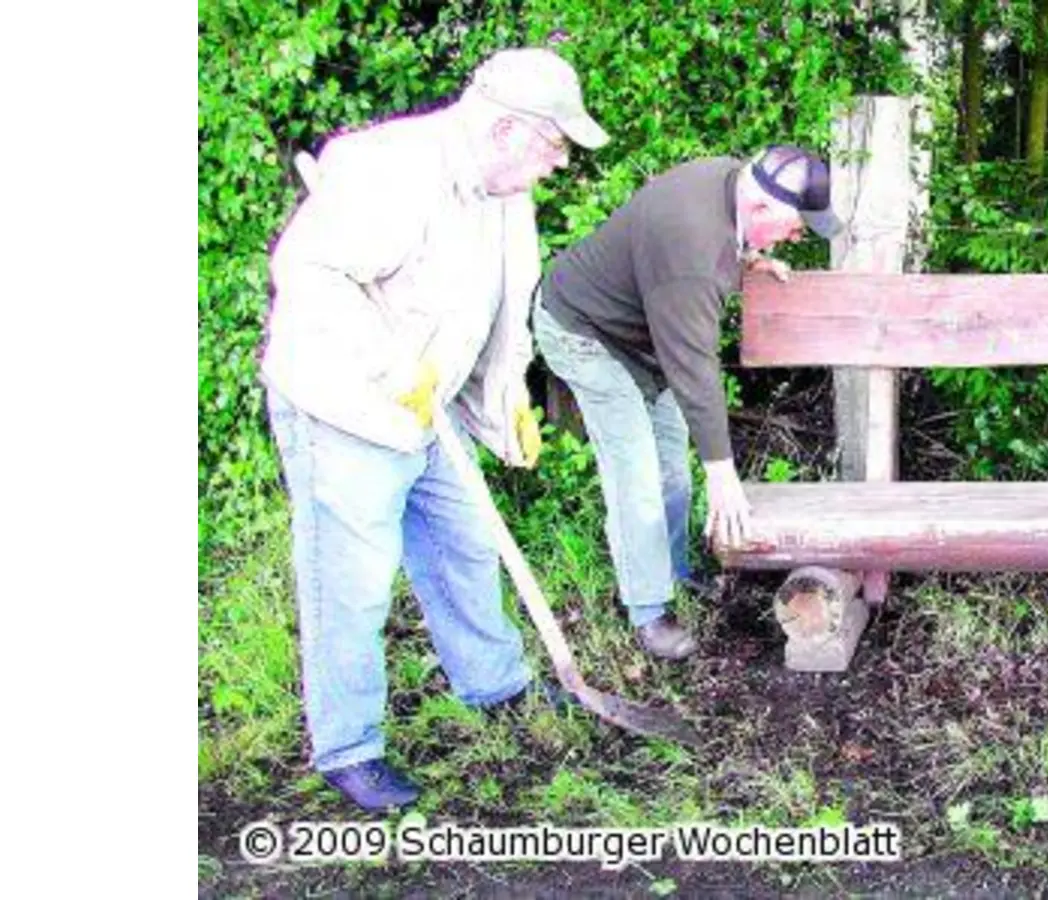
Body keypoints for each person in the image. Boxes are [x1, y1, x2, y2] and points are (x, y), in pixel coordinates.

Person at [258, 48, 609, 812]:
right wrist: (388, 367)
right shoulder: (390, 171)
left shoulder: (502, 192)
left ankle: (496, 685)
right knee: (351, 582)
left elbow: (503, 308)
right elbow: (308, 271)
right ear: (509, 129)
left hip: (430, 406)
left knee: (464, 544)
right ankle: (349, 747)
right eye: (555, 146)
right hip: (345, 405)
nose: (557, 164)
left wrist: (506, 400)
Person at [534, 144, 842, 659]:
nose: (796, 236)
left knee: (672, 469)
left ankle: (672, 568)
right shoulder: (692, 253)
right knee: (636, 475)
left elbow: (710, 259)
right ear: (760, 207)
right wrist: (722, 474)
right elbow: (695, 368)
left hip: (646, 338)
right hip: (586, 334)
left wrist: (749, 258)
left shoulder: (730, 186)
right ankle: (647, 612)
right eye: (794, 227)